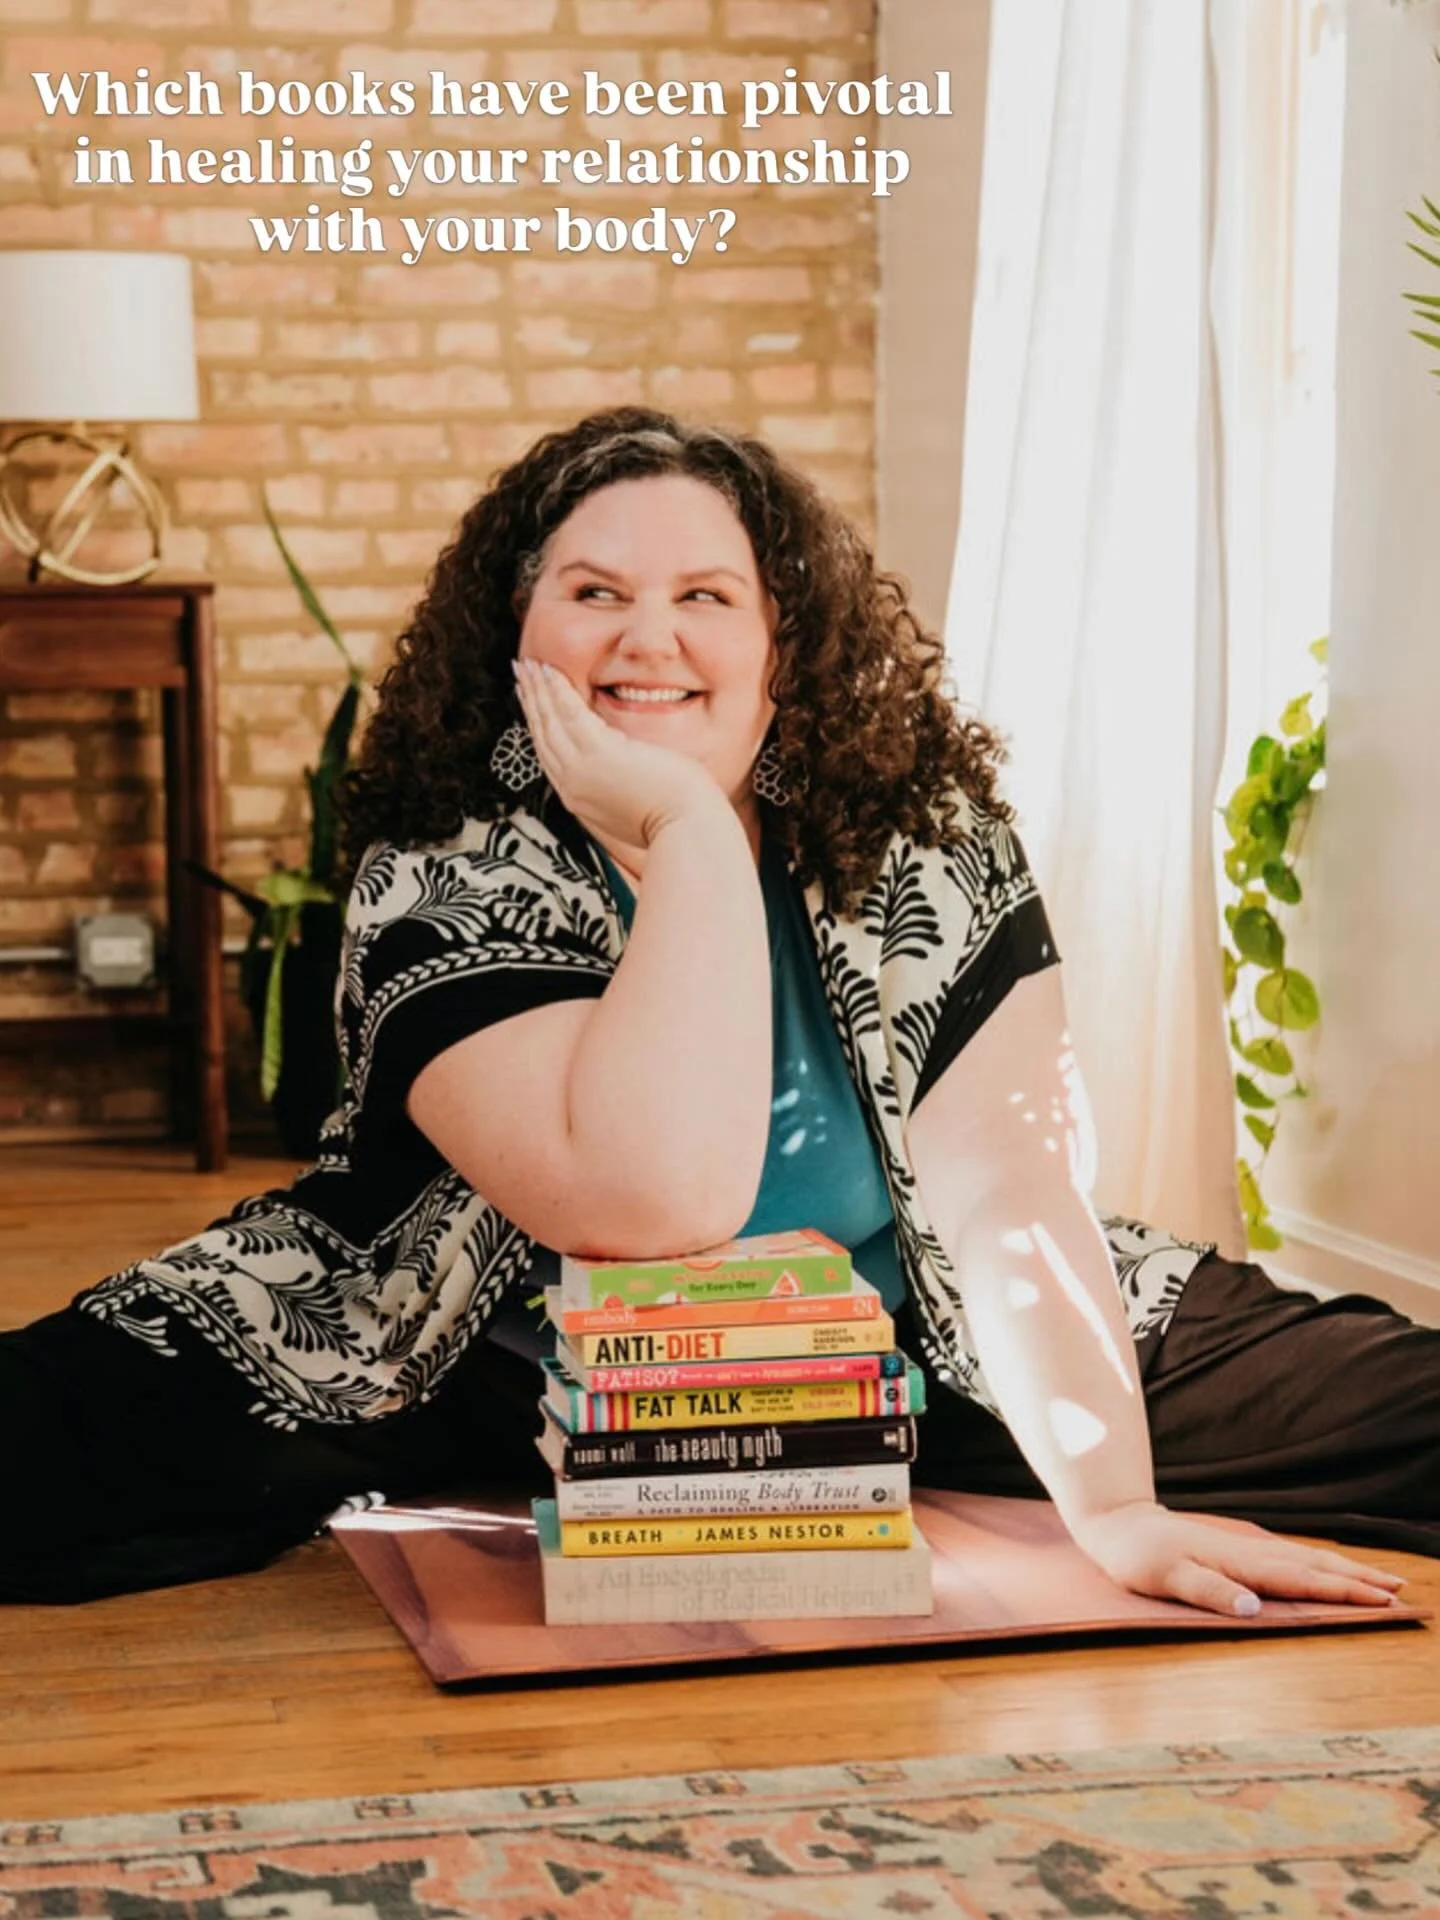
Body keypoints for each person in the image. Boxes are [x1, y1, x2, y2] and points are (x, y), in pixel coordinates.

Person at [4, 407, 1434, 1611]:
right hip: (462, 1350)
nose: (650, 637)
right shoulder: (449, 862)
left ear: (781, 644)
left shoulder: (921, 836)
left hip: (901, 1335)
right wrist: (689, 832)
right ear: (516, 633)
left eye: (706, 596)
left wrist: (1114, 1507)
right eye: (594, 592)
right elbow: (648, 1204)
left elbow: (1006, 1187)